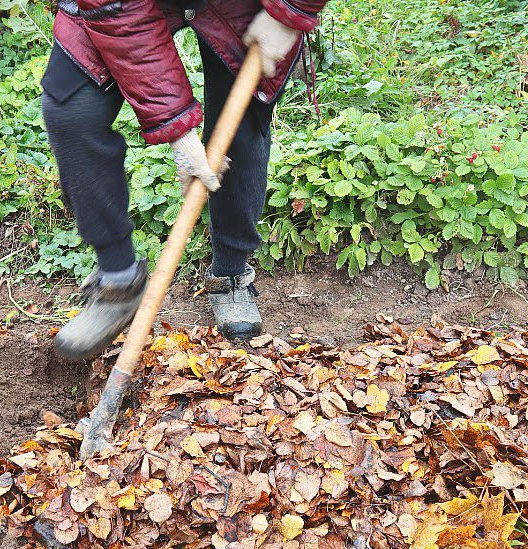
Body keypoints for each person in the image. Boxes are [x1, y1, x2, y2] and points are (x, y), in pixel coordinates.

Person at [41, 0, 326, 359]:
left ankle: (230, 274)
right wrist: (177, 128)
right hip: (116, 9)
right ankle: (118, 283)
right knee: (73, 110)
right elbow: (114, 8)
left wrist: (289, 11)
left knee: (239, 124)